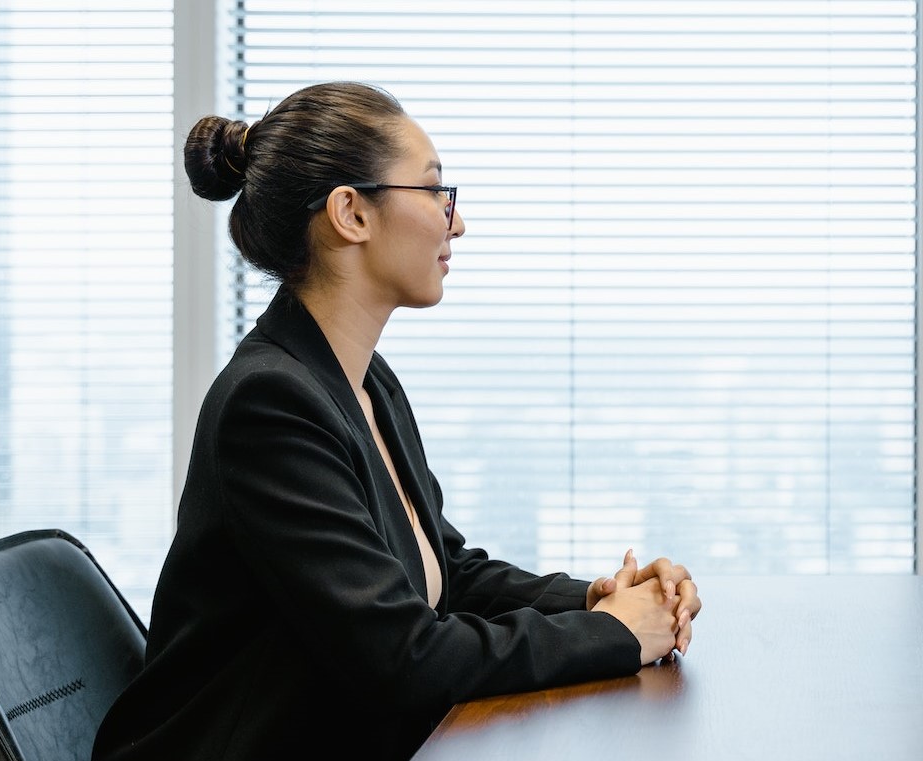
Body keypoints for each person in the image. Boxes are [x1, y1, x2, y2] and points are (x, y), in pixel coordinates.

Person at [92, 82, 701, 759]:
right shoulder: (268, 405)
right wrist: (617, 632)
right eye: (435, 191)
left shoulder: (364, 380)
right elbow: (404, 657)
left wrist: (596, 598)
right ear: (351, 212)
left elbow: (447, 573)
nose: (456, 222)